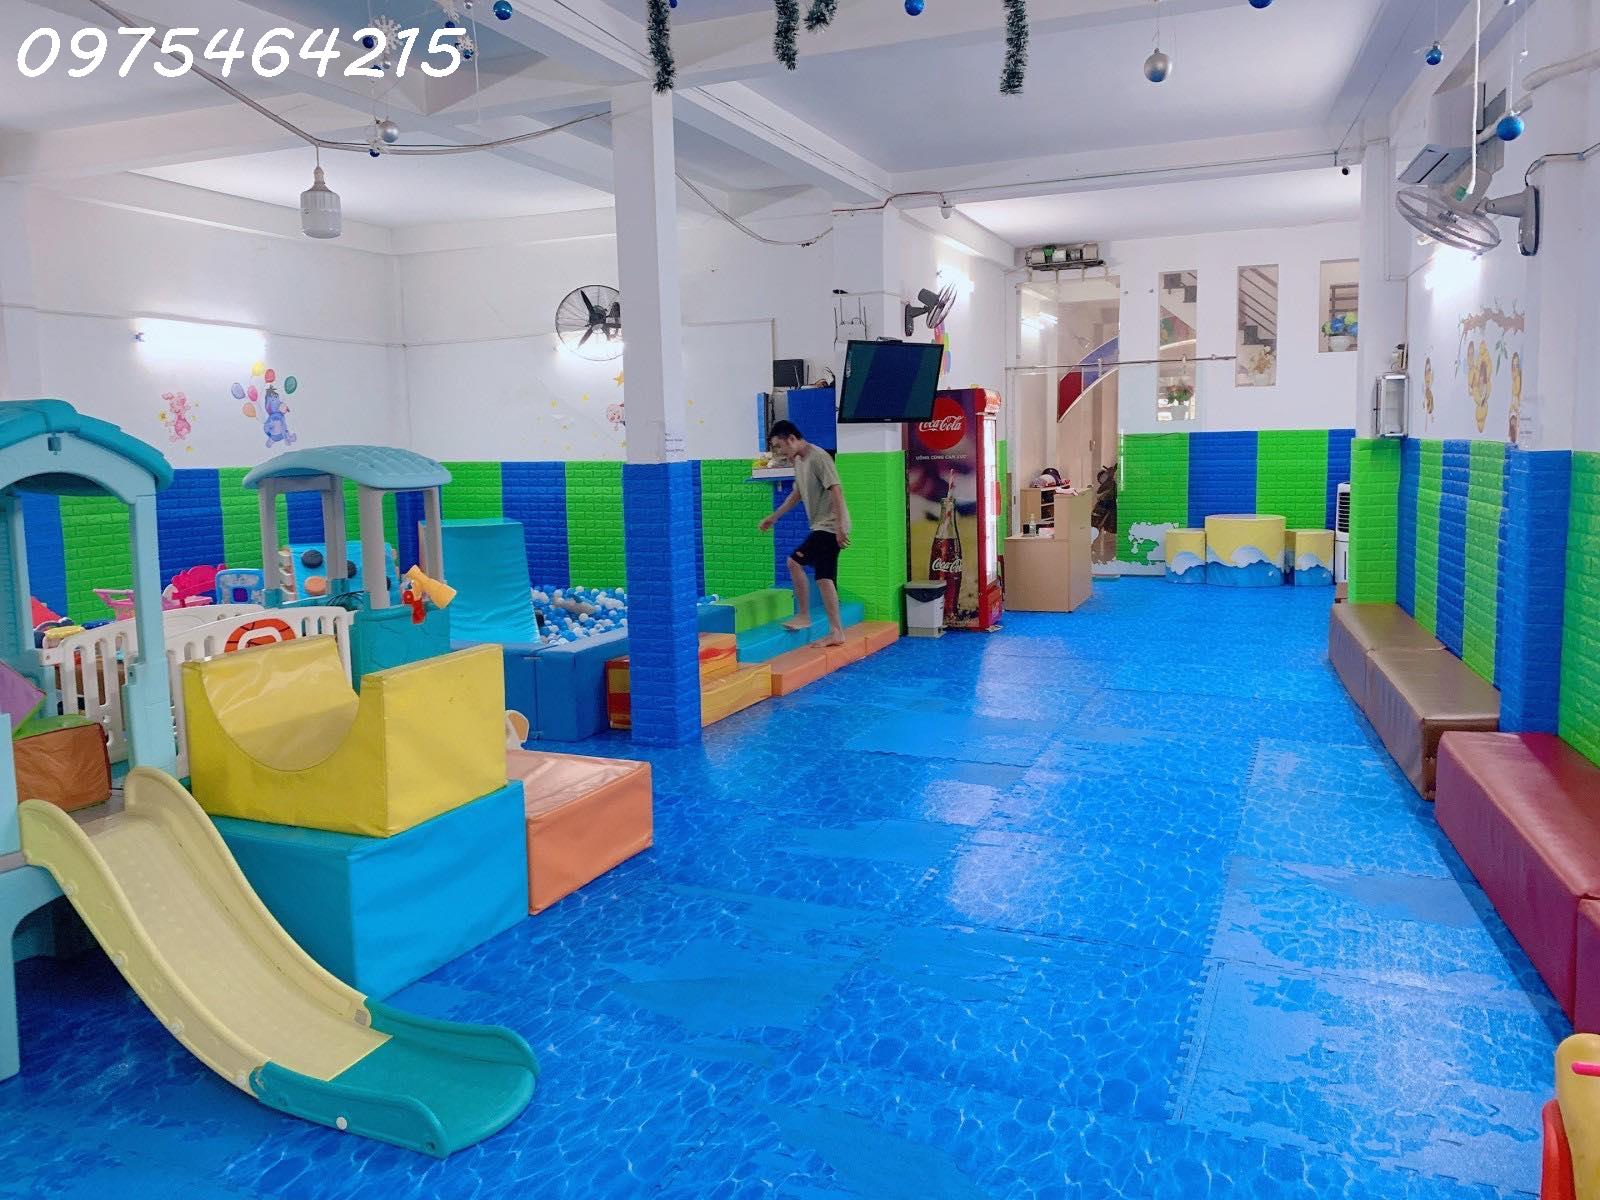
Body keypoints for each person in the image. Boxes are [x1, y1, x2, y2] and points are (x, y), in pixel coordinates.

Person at [758, 420, 851, 646]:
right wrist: (774, 517)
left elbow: (837, 490)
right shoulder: (799, 460)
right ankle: (837, 632)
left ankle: (803, 615)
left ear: (792, 439)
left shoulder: (819, 457)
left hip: (829, 526)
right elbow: (796, 495)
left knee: (794, 562)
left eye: (779, 446)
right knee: (824, 578)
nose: (779, 452)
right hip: (823, 525)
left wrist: (840, 526)